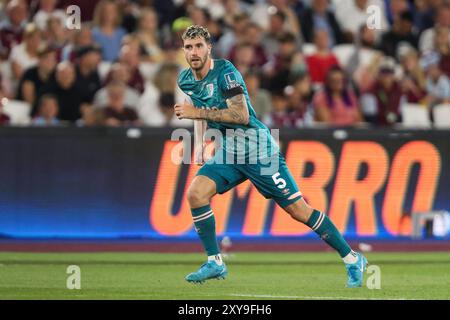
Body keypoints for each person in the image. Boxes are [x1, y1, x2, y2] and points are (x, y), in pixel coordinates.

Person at [174, 25, 367, 286]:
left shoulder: (226, 73)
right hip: (230, 151)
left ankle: (352, 258)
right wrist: (199, 144)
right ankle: (214, 262)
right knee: (196, 194)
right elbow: (198, 105)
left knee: (299, 210)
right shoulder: (186, 79)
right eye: (188, 47)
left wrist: (198, 115)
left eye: (199, 46)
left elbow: (240, 116)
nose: (194, 51)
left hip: (257, 149)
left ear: (209, 48)